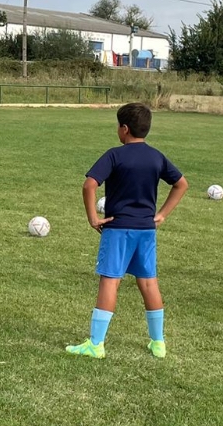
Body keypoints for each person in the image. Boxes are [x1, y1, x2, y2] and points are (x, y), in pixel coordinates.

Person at [65, 101, 189, 359]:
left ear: (124, 129)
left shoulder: (114, 155)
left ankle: (96, 345)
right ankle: (158, 343)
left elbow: (89, 185)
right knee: (148, 282)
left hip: (118, 228)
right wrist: (162, 214)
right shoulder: (156, 156)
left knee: (110, 281)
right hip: (146, 229)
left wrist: (92, 218)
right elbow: (181, 184)